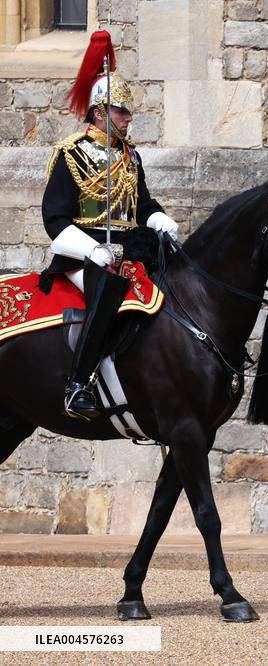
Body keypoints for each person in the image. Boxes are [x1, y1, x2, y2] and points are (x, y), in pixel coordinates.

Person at [42, 31, 178, 420]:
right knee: (109, 291)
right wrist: (91, 250)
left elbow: (143, 205)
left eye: (129, 111)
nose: (128, 118)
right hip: (82, 256)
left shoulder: (131, 157)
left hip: (130, 249)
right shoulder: (72, 154)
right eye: (121, 111)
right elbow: (55, 218)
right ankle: (77, 384)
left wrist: (158, 219)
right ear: (100, 113)